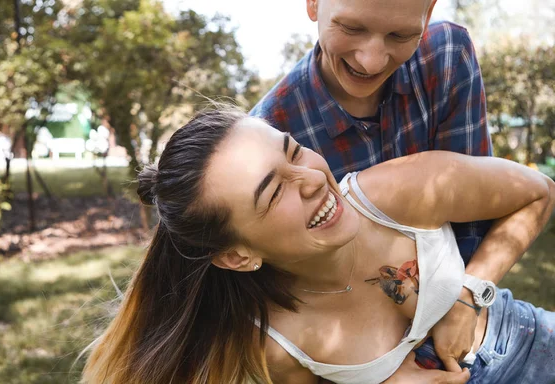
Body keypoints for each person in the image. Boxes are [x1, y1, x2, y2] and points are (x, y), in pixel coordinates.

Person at [81, 107, 555, 384]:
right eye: (273, 192)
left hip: (530, 348)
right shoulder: (274, 343)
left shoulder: (398, 192)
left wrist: (469, 294)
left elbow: (538, 190)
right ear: (237, 256)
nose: (310, 178)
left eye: (292, 151)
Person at [249, 0, 496, 373]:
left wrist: (468, 296)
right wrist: (385, 372)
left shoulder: (446, 56)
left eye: (400, 35)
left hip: (486, 325)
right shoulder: (269, 137)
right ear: (313, 4)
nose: (371, 61)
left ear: (427, 14)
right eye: (351, 29)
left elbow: (480, 213)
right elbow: (278, 301)